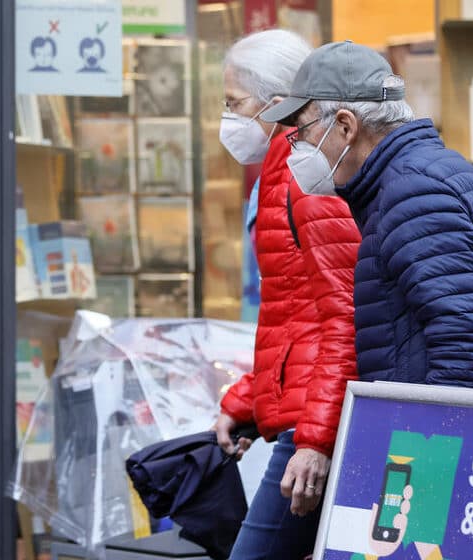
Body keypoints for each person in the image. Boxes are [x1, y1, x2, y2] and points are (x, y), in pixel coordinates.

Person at [261, 40, 473, 395]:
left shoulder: (414, 191)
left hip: (447, 441)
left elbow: (465, 340)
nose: (297, 148)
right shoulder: (417, 178)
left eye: (302, 132)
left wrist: (423, 443)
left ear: (345, 127)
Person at [213, 29, 362, 560]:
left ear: (276, 105)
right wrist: (248, 400)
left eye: (234, 104)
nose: (226, 120)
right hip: (310, 410)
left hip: (318, 421)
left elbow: (344, 311)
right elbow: (294, 313)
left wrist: (316, 441)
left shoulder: (305, 175)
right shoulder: (278, 173)